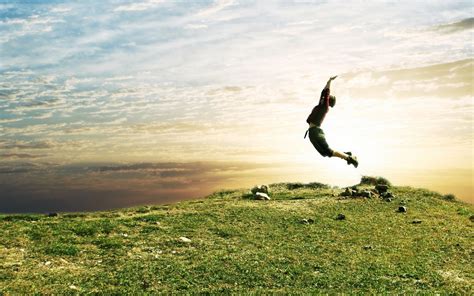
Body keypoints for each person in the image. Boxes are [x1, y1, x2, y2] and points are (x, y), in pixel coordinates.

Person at [304, 75, 358, 168]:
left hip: (316, 132)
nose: (324, 98)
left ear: (328, 101)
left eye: (326, 98)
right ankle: (346, 155)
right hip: (312, 133)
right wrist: (328, 82)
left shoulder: (324, 107)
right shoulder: (321, 106)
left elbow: (325, 93)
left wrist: (329, 82)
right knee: (325, 153)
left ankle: (349, 158)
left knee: (328, 152)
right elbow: (323, 93)